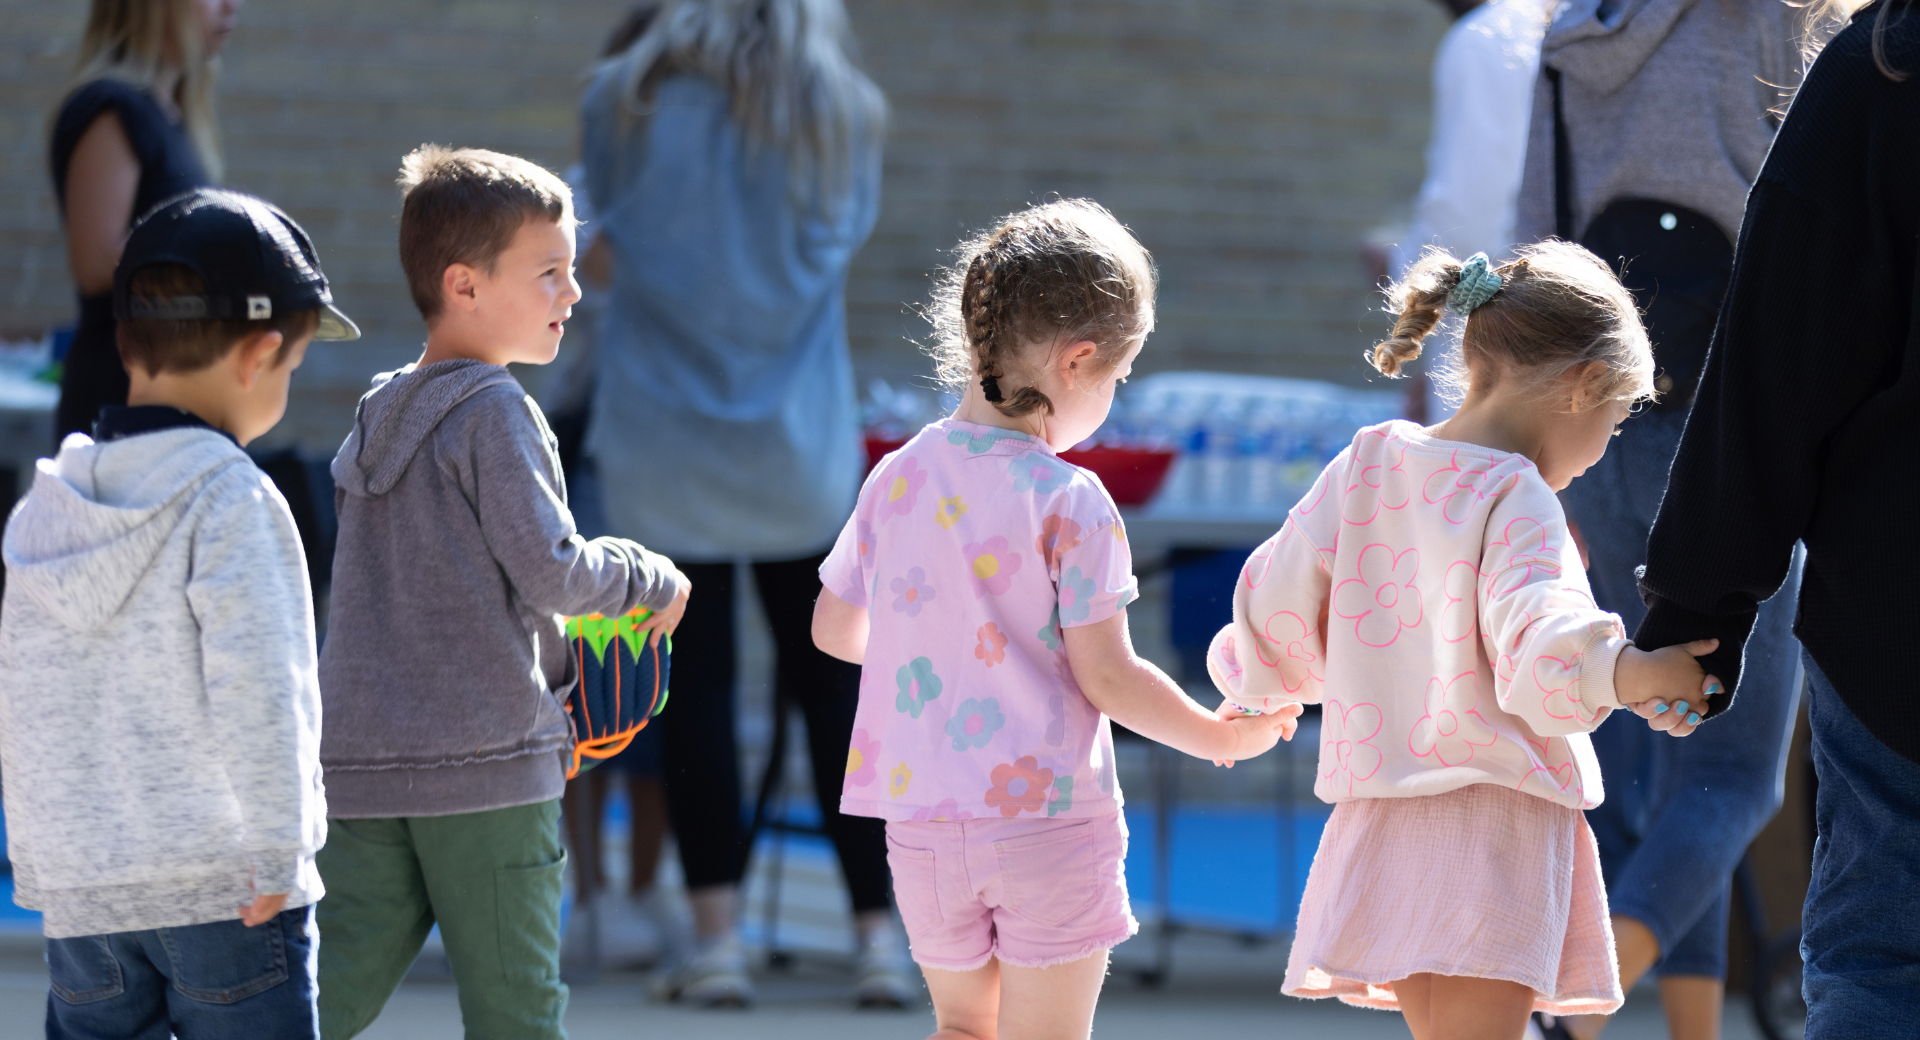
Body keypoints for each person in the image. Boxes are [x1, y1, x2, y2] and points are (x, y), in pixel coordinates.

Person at [811, 198, 1299, 1040]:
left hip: (922, 819)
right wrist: (1218, 735)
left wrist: (931, 642)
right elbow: (1108, 676)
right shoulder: (1071, 498)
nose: (1115, 393)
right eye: (1119, 376)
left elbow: (834, 630)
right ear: (1078, 361)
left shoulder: (898, 476)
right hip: (1046, 820)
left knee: (963, 1027)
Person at [1209, 243, 1722, 1040]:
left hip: (1385, 817)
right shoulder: (1516, 493)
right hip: (1493, 823)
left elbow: (1278, 597)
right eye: (1616, 419)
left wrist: (1254, 690)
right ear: (1582, 386)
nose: (1606, 447)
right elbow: (1540, 635)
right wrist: (1635, 672)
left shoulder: (1367, 464)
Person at [313, 146, 691, 1040]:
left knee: (317, 1002)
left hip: (361, 768)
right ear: (465, 285)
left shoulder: (377, 411)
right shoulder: (497, 410)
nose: (575, 292)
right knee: (516, 1016)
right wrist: (648, 577)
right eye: (549, 272)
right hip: (487, 769)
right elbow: (554, 570)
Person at [576, 0, 901, 1007]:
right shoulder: (845, 111)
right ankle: (878, 940)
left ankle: (716, 939)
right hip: (799, 440)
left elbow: (606, 248)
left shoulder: (621, 100)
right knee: (837, 691)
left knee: (696, 688)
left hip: (662, 434)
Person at [1510, 3, 1806, 1037]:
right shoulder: (1774, 23)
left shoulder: (1572, 32)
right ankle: (1573, 1013)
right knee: (1736, 773)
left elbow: (1535, 239)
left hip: (1596, 414)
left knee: (1682, 755)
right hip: (1733, 427)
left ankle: (1691, 1028)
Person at [0, 188, 358, 1037]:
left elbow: (25, 695)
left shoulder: (47, 509)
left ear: (126, 340)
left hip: (85, 895)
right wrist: (281, 846)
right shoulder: (234, 499)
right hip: (230, 889)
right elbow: (263, 690)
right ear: (260, 355)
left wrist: (37, 864)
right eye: (292, 367)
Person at [1632, 3, 1920, 1036]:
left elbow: (1774, 359)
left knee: (1887, 967)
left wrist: (1698, 604)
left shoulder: (1880, 74)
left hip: (1897, 613)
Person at [49, 0, 237, 443]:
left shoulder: (172, 112)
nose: (232, 6)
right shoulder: (111, 107)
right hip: (121, 397)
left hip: (167, 396)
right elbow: (97, 264)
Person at [1388, 0, 1551, 425]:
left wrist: (1403, 276)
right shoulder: (1576, 21)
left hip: (1500, 340)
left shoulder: (1490, 37)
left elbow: (1465, 226)